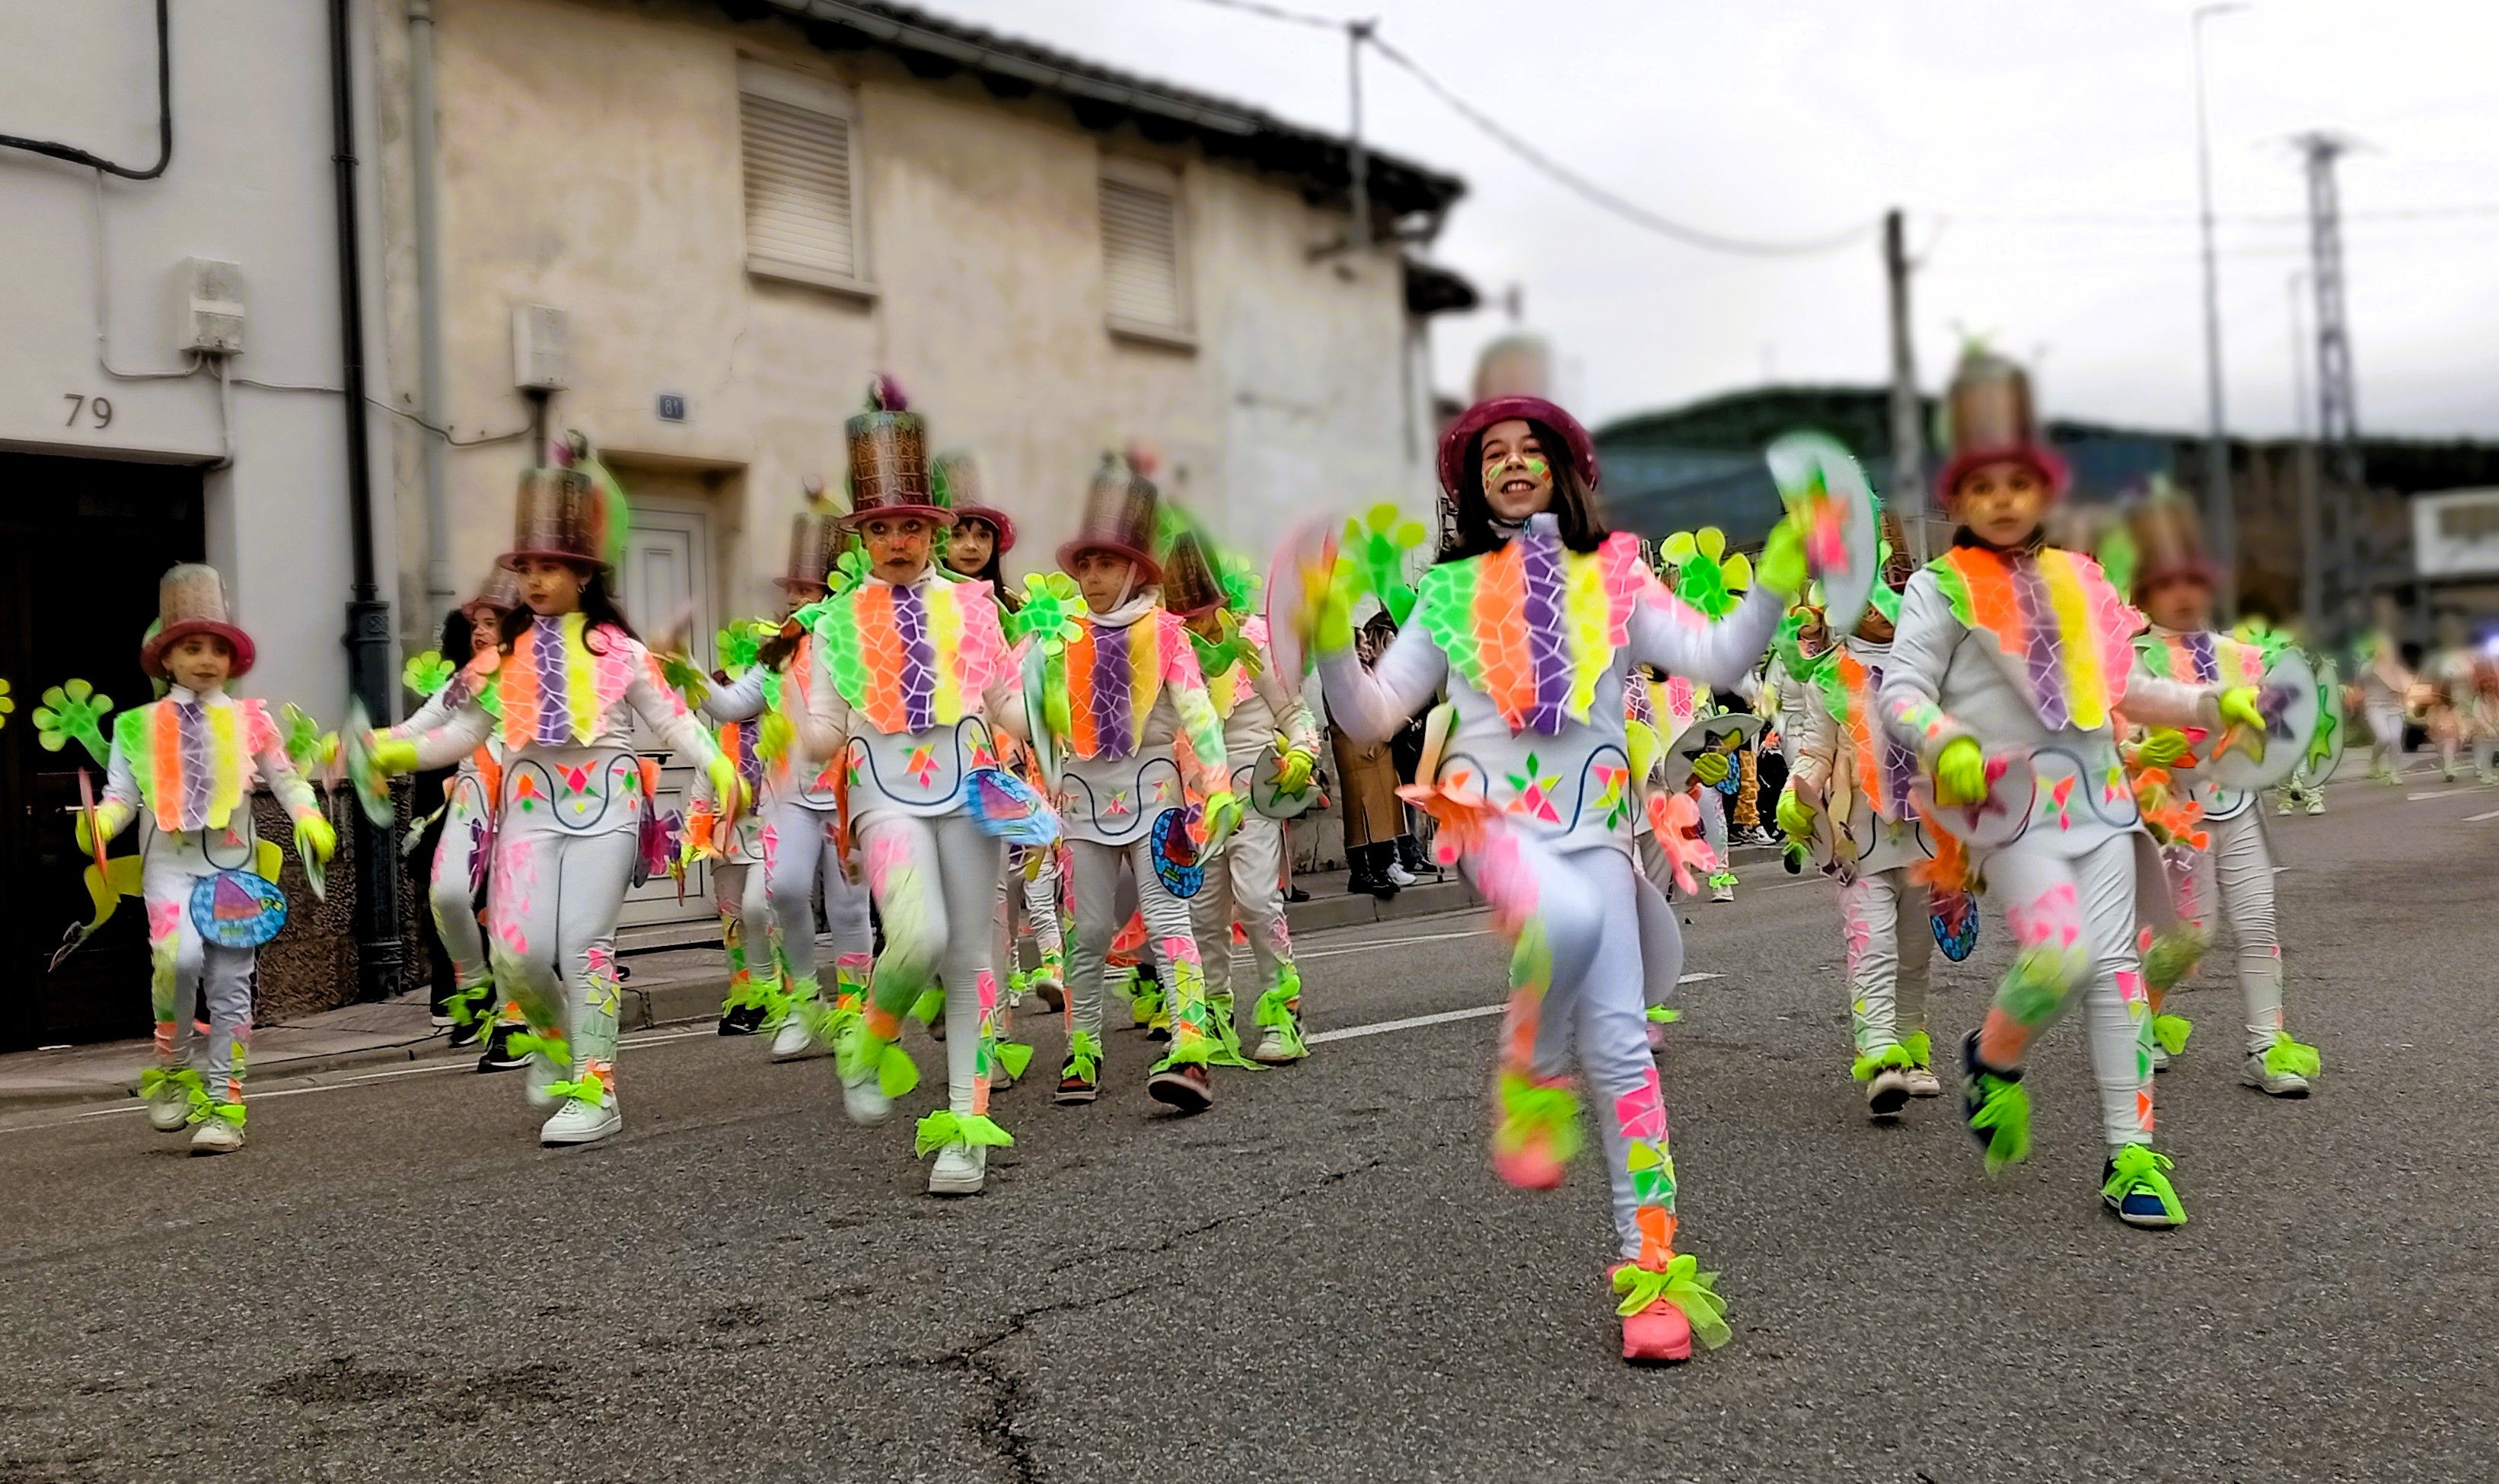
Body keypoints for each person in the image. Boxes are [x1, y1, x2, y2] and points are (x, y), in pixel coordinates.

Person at [1303, 393, 1806, 1364]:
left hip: (1601, 837)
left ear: (1567, 469)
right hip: (1501, 833)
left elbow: (1718, 654)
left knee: (1622, 1053)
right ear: (1469, 480)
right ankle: (1532, 1070)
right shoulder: (1448, 595)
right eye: (1492, 452)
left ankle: (1651, 1273)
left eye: (1532, 448)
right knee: (1564, 918)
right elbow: (1368, 718)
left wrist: (1779, 577)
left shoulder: (1616, 574)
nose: (1512, 462)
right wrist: (1327, 629)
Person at [1876, 349, 2263, 1228]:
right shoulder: (1938, 588)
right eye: (1983, 484)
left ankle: (2132, 1156)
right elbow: (1900, 694)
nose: (2004, 498)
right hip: (2013, 815)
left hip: (2101, 805)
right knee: (2058, 958)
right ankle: (1994, 1056)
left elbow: (2122, 686)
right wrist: (1945, 742)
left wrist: (2211, 700)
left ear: (2044, 493)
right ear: (1955, 500)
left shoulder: (2078, 580)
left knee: (2118, 971)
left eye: (2021, 481)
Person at [369, 445, 741, 1148]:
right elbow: (460, 733)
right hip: (531, 810)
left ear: (582, 573)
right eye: (527, 569)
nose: (535, 580)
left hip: (609, 802)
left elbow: (671, 719)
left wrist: (719, 768)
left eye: (549, 567)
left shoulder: (618, 651)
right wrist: (389, 749)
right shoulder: (500, 656)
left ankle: (596, 1089)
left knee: (582, 945)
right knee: (516, 952)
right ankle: (551, 1042)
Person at [799, 384, 1030, 1193]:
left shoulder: (975, 605)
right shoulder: (835, 621)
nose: (896, 541)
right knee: (919, 936)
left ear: (933, 529)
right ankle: (875, 1029)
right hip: (883, 791)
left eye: (910, 526)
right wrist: (795, 729)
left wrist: (1045, 719)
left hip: (971, 785)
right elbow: (825, 727)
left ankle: (964, 1132)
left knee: (969, 955)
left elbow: (1004, 701)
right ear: (861, 535)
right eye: (880, 528)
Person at [84, 564, 335, 1154]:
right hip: (167, 865)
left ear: (232, 659)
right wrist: (98, 824)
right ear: (166, 658)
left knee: (230, 982)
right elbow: (121, 797)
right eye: (190, 647)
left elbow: (288, 780)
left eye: (216, 648)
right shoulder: (134, 727)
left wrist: (310, 817)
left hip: (233, 868)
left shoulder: (253, 721)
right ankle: (172, 1068)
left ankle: (226, 1102)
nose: (204, 659)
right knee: (178, 959)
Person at [1038, 451, 1239, 1113]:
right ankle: (1082, 1048)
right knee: (1088, 931)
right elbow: (1016, 712)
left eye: (1107, 563)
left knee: (1165, 917)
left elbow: (1200, 718)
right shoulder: (1055, 637)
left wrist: (1218, 789)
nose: (1093, 577)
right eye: (1085, 565)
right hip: (1082, 805)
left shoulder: (1169, 634)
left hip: (1157, 802)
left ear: (1134, 569)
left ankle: (1189, 1049)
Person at [2122, 496, 2323, 1097]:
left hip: (2236, 806)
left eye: (2194, 580)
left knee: (2259, 922)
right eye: (2165, 582)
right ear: (2142, 592)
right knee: (2189, 937)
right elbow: (2105, 740)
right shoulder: (2125, 662)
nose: (2182, 595)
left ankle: (2267, 1046)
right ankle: (2143, 1020)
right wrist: (2136, 754)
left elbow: (2286, 725)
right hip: (2168, 815)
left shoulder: (2245, 659)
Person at [698, 497, 877, 1060]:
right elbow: (728, 706)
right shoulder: (774, 654)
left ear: (834, 592)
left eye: (805, 591)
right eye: (791, 592)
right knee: (784, 889)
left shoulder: (860, 643)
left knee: (849, 908)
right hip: (788, 796)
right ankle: (804, 1002)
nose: (793, 601)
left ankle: (853, 1011)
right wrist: (682, 673)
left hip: (848, 793)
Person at [1781, 512, 1946, 1118]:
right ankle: (1879, 1056)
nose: (1875, 606)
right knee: (1869, 942)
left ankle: (1911, 1045)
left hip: (1927, 831)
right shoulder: (1828, 675)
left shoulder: (1930, 665)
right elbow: (1814, 746)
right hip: (1858, 832)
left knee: (1913, 949)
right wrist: (1797, 793)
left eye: (1886, 586)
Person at [1164, 526, 1321, 1064]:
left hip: (1252, 796)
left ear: (1224, 600)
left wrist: (1301, 753)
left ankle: (1284, 1008)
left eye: (1204, 612)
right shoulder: (1168, 653)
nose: (1197, 627)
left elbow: (1294, 713)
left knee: (1256, 901)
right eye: (1183, 619)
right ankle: (1213, 1010)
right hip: (1196, 805)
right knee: (1201, 915)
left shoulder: (1254, 643)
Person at [940, 454, 1066, 1060]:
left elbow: (1026, 691)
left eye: (980, 534)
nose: (969, 545)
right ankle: (943, 991)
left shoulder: (1010, 608)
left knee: (999, 894)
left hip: (994, 765)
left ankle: (991, 1032)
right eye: (959, 532)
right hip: (915, 772)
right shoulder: (904, 601)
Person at [390, 575, 524, 1065]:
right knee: (446, 895)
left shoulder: (542, 674)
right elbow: (418, 729)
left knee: (509, 911)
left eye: (493, 623)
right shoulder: (465, 682)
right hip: (471, 794)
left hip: (526, 800)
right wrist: (370, 748)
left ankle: (515, 1021)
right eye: (477, 624)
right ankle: (475, 989)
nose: (481, 633)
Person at [1329, 615, 1412, 897]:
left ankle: (1381, 866)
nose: (1366, 648)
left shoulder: (1365, 672)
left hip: (1372, 747)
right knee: (1359, 812)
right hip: (1355, 748)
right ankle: (1361, 871)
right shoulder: (1341, 674)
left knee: (1378, 811)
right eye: (1362, 643)